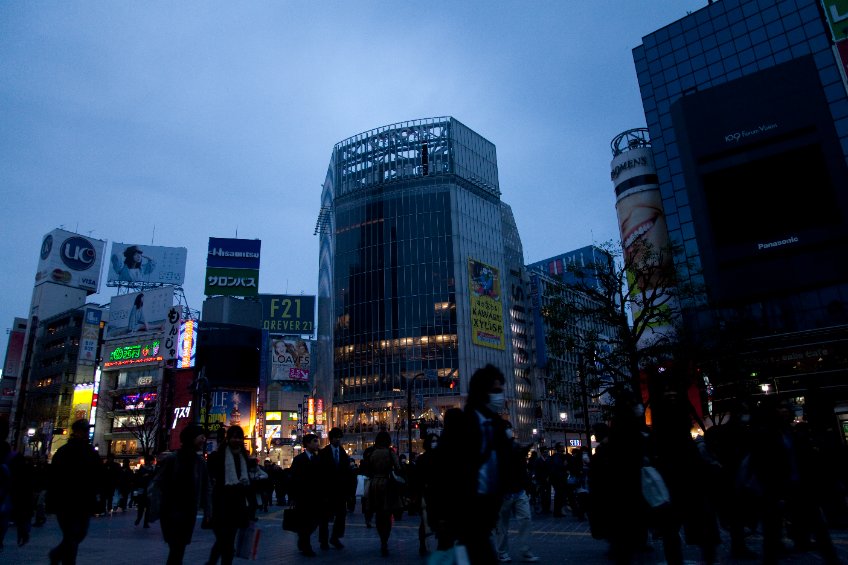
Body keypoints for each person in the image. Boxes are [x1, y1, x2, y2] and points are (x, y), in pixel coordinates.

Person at [431, 364, 511, 564]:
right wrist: (439, 516)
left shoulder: (499, 428)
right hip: (462, 515)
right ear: (481, 392)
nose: (500, 396)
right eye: (495, 391)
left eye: (501, 390)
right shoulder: (461, 424)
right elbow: (442, 472)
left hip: (486, 517)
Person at [153, 424, 212, 565]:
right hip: (171, 511)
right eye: (201, 436)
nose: (204, 439)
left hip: (188, 511)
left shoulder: (200, 462)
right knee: (177, 548)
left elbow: (206, 488)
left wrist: (208, 511)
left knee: (178, 549)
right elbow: (158, 483)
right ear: (191, 437)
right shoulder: (172, 459)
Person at [47, 419, 103, 565]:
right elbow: (54, 476)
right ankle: (67, 561)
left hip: (83, 500)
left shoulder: (89, 451)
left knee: (78, 534)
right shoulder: (65, 451)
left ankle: (56, 554)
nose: (86, 433)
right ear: (76, 431)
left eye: (87, 430)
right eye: (84, 430)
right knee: (72, 534)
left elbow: (98, 475)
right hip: (67, 499)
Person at [207, 425, 253, 565]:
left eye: (239, 437)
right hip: (221, 502)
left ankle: (214, 562)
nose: (236, 440)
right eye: (233, 437)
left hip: (237, 504)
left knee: (227, 540)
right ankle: (213, 562)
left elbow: (248, 482)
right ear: (228, 438)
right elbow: (211, 477)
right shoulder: (218, 455)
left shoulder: (244, 456)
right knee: (224, 540)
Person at [495, 421, 539, 563]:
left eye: (509, 428)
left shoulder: (515, 447)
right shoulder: (496, 449)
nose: (508, 431)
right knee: (502, 525)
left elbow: (521, 470)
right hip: (504, 492)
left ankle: (525, 550)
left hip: (518, 490)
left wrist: (529, 486)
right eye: (505, 429)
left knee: (525, 519)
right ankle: (502, 551)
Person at [365, 430, 403, 557]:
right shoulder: (389, 452)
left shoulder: (373, 453)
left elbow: (367, 468)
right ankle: (385, 540)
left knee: (378, 513)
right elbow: (398, 468)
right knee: (387, 513)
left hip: (374, 483)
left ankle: (381, 537)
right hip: (387, 483)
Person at [317, 427, 353, 550]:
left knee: (341, 515)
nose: (338, 440)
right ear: (331, 439)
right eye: (335, 438)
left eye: (339, 438)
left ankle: (335, 537)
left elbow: (348, 473)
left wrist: (349, 491)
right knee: (324, 517)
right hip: (327, 490)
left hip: (340, 491)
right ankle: (324, 540)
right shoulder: (323, 453)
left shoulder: (343, 454)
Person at [290, 433, 322, 556]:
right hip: (302, 496)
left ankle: (303, 539)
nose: (317, 444)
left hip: (315, 496)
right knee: (305, 521)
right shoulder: (299, 459)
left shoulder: (318, 458)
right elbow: (293, 478)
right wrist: (293, 496)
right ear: (308, 443)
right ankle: (306, 545)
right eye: (315, 441)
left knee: (314, 521)